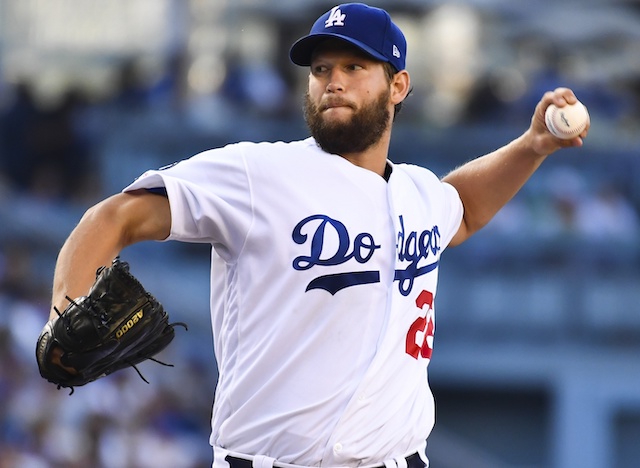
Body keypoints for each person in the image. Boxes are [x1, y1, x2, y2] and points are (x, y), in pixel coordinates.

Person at [46, 3, 589, 467]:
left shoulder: (420, 195)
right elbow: (114, 217)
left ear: (398, 85)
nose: (334, 80)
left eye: (355, 65)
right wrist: (62, 314)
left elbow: (464, 210)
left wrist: (531, 146)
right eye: (321, 68)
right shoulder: (259, 174)